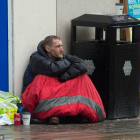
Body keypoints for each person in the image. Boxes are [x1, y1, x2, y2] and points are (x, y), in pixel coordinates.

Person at [22, 35, 106, 125]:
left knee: (82, 76)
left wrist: (66, 76)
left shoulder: (62, 56)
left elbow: (82, 65)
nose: (61, 49)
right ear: (48, 48)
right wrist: (68, 63)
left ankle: (81, 111)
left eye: (61, 46)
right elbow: (53, 69)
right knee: (44, 78)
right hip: (39, 95)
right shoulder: (36, 58)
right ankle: (53, 113)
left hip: (57, 91)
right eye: (58, 46)